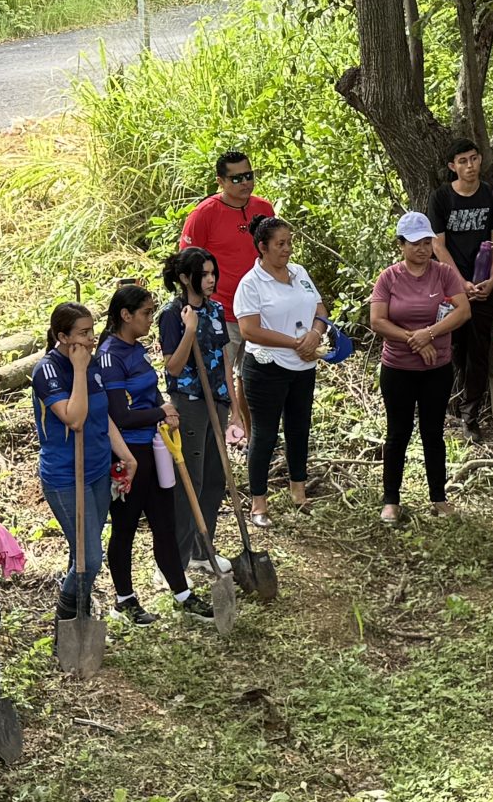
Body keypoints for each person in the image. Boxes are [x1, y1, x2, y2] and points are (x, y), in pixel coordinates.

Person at [97, 283, 200, 621]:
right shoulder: (110, 356)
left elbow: (151, 390)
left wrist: (163, 406)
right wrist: (161, 413)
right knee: (125, 526)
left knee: (164, 522)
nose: (150, 319)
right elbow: (119, 415)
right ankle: (125, 599)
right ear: (125, 316)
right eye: (145, 313)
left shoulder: (137, 350)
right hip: (126, 453)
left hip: (154, 447)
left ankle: (182, 592)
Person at [33, 304, 132, 624]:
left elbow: (100, 414)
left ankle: (81, 610)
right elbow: (74, 419)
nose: (92, 339)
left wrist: (125, 454)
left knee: (83, 551)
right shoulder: (47, 371)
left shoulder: (95, 364)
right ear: (62, 337)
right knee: (90, 557)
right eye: (83, 333)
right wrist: (77, 369)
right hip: (65, 476)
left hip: (97, 469)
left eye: (92, 330)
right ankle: (65, 618)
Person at [369, 212, 470, 524]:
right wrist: (413, 339)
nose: (422, 248)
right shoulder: (389, 278)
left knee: (433, 433)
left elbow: (463, 310)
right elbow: (377, 321)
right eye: (415, 243)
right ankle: (391, 500)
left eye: (427, 242)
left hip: (436, 369)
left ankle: (438, 497)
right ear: (401, 244)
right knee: (398, 432)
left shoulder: (444, 275)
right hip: (398, 368)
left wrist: (429, 335)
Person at [233, 217, 326, 525]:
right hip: (267, 367)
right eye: (280, 244)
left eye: (289, 242)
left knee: (299, 427)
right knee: (265, 433)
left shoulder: (299, 273)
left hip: (304, 363)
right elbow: (249, 330)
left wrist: (314, 334)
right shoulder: (251, 283)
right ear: (263, 247)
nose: (287, 249)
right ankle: (258, 502)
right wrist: (293, 342)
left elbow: (320, 309)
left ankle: (299, 491)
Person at [158, 249, 245, 565]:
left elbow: (224, 361)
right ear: (185, 278)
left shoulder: (217, 310)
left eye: (213, 273)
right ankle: (175, 560)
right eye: (204, 274)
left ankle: (202, 549)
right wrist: (190, 330)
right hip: (190, 403)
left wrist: (234, 408)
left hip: (217, 402)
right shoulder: (172, 314)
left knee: (214, 477)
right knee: (190, 481)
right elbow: (174, 367)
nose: (211, 280)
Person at [425, 141, 493, 436]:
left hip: (484, 285)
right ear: (453, 167)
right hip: (451, 285)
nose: (470, 166)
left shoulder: (492, 195)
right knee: (450, 345)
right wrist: (460, 282)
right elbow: (438, 244)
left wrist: (491, 277)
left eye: (474, 159)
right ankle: (443, 403)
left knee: (478, 348)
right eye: (463, 161)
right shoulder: (441, 198)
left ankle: (470, 413)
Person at [178, 149, 275, 320]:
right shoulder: (204, 213)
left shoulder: (264, 208)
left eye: (248, 176)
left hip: (262, 309)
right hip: (220, 312)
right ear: (220, 181)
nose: (245, 182)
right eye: (236, 179)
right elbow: (186, 262)